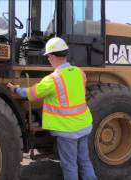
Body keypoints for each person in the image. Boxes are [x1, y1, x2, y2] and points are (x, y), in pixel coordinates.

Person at [7, 37, 97, 180]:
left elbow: (30, 93)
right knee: (85, 161)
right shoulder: (80, 73)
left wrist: (15, 89)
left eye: (48, 56)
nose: (48, 59)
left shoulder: (53, 79)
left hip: (68, 131)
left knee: (70, 165)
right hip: (84, 125)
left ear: (54, 56)